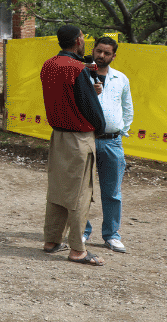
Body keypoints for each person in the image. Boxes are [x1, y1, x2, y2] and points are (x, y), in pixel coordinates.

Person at [39, 24, 106, 266]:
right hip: (79, 137)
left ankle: (51, 240)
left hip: (58, 135)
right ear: (78, 40)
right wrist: (100, 126)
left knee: (57, 190)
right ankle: (78, 249)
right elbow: (90, 108)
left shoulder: (49, 65)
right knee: (79, 194)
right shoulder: (77, 70)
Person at [82, 36, 133, 253]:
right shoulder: (81, 76)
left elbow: (128, 108)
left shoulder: (121, 79)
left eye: (106, 53)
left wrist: (120, 131)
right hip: (85, 139)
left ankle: (111, 235)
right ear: (93, 51)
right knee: (82, 189)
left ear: (113, 56)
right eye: (98, 51)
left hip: (112, 142)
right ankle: (81, 231)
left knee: (112, 192)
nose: (101, 56)